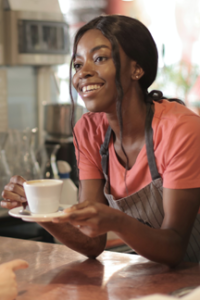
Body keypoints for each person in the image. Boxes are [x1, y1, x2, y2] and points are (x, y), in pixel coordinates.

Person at [1, 15, 200, 267]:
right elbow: (93, 244)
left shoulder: (180, 129)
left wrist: (117, 221)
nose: (82, 73)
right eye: (77, 64)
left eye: (99, 58)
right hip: (156, 278)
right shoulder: (89, 131)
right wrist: (38, 208)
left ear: (137, 69)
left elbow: (174, 247)